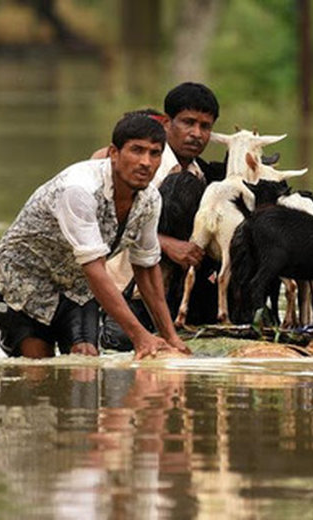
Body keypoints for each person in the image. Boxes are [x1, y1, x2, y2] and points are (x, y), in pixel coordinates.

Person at [0, 113, 190, 360]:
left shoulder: (149, 199)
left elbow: (146, 268)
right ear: (114, 153)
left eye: (154, 153)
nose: (145, 162)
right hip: (26, 281)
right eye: (136, 151)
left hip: (77, 285)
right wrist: (140, 336)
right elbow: (95, 269)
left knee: (86, 362)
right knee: (36, 373)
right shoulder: (79, 188)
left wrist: (170, 337)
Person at [100, 82, 224, 351]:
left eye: (205, 126)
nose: (196, 134)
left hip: (165, 293)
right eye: (188, 123)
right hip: (122, 291)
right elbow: (109, 222)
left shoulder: (198, 173)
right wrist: (168, 244)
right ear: (167, 123)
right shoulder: (144, 166)